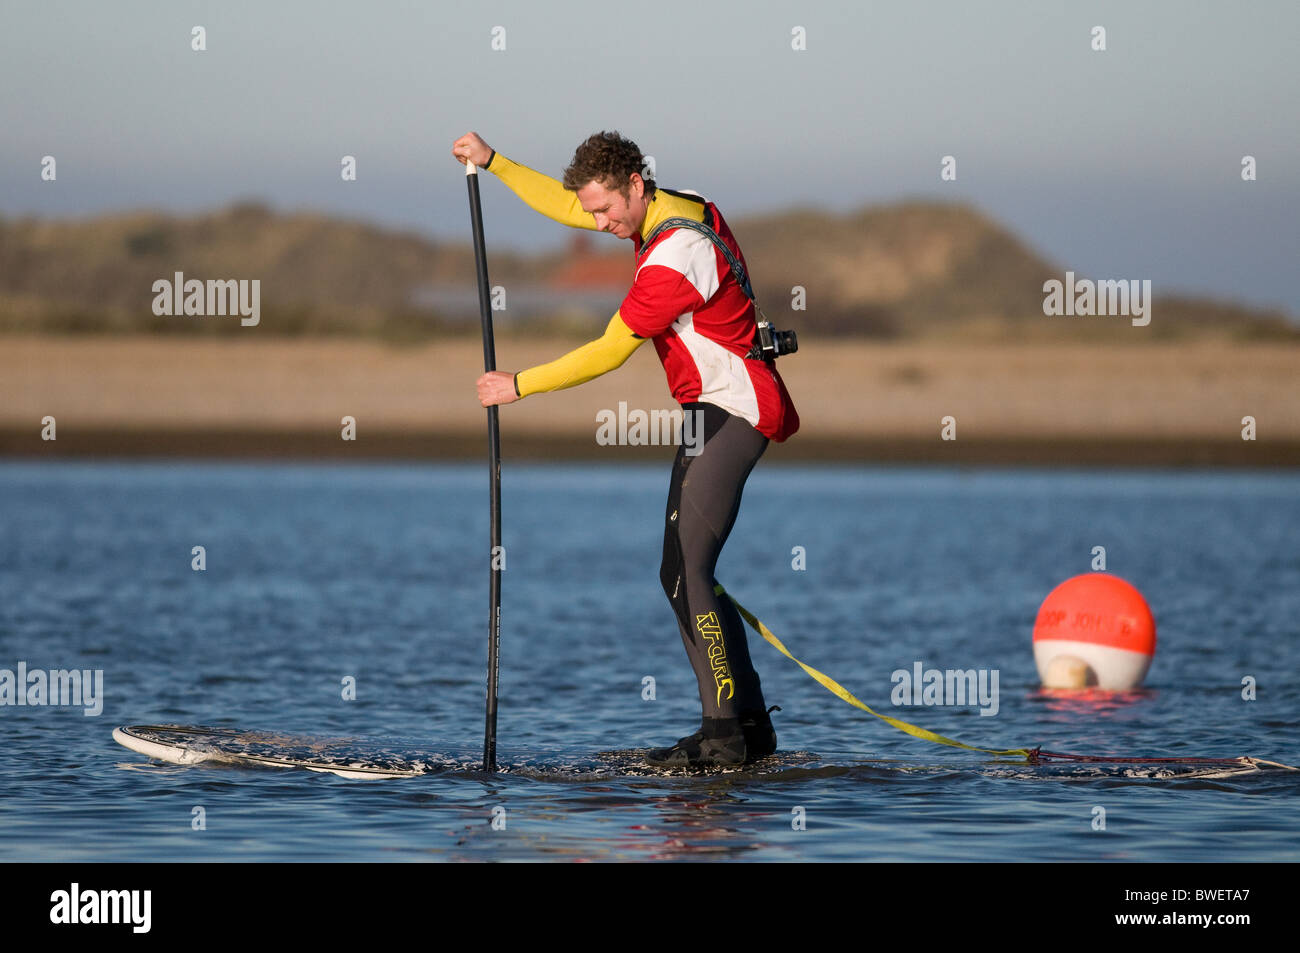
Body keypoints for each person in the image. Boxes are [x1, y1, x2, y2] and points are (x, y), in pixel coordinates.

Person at [451, 130, 798, 767]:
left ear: (635, 184)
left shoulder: (676, 257)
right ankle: (747, 726)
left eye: (608, 209)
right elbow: (568, 205)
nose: (600, 223)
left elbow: (611, 351)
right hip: (718, 408)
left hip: (732, 408)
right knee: (686, 571)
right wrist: (494, 162)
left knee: (685, 572)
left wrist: (518, 385)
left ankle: (726, 735)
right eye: (595, 211)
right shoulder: (677, 202)